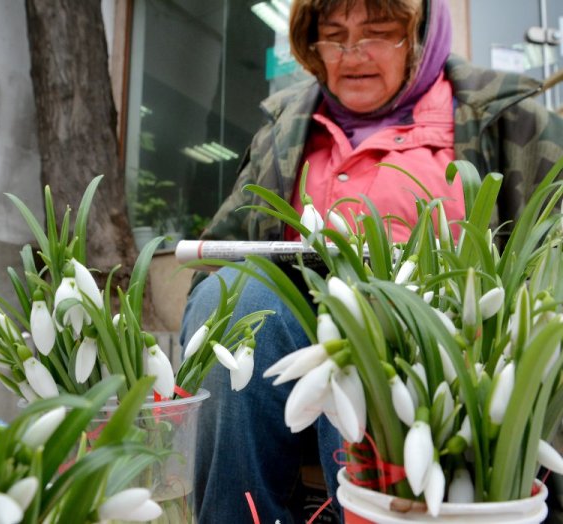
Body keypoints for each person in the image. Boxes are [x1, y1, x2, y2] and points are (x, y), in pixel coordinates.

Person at [180, 0, 563, 522]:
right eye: (333, 36)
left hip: (444, 344)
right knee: (232, 299)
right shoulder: (283, 132)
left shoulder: (506, 119)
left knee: (368, 309)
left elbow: (550, 256)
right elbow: (221, 250)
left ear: (422, 36)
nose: (351, 53)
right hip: (295, 338)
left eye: (379, 32)